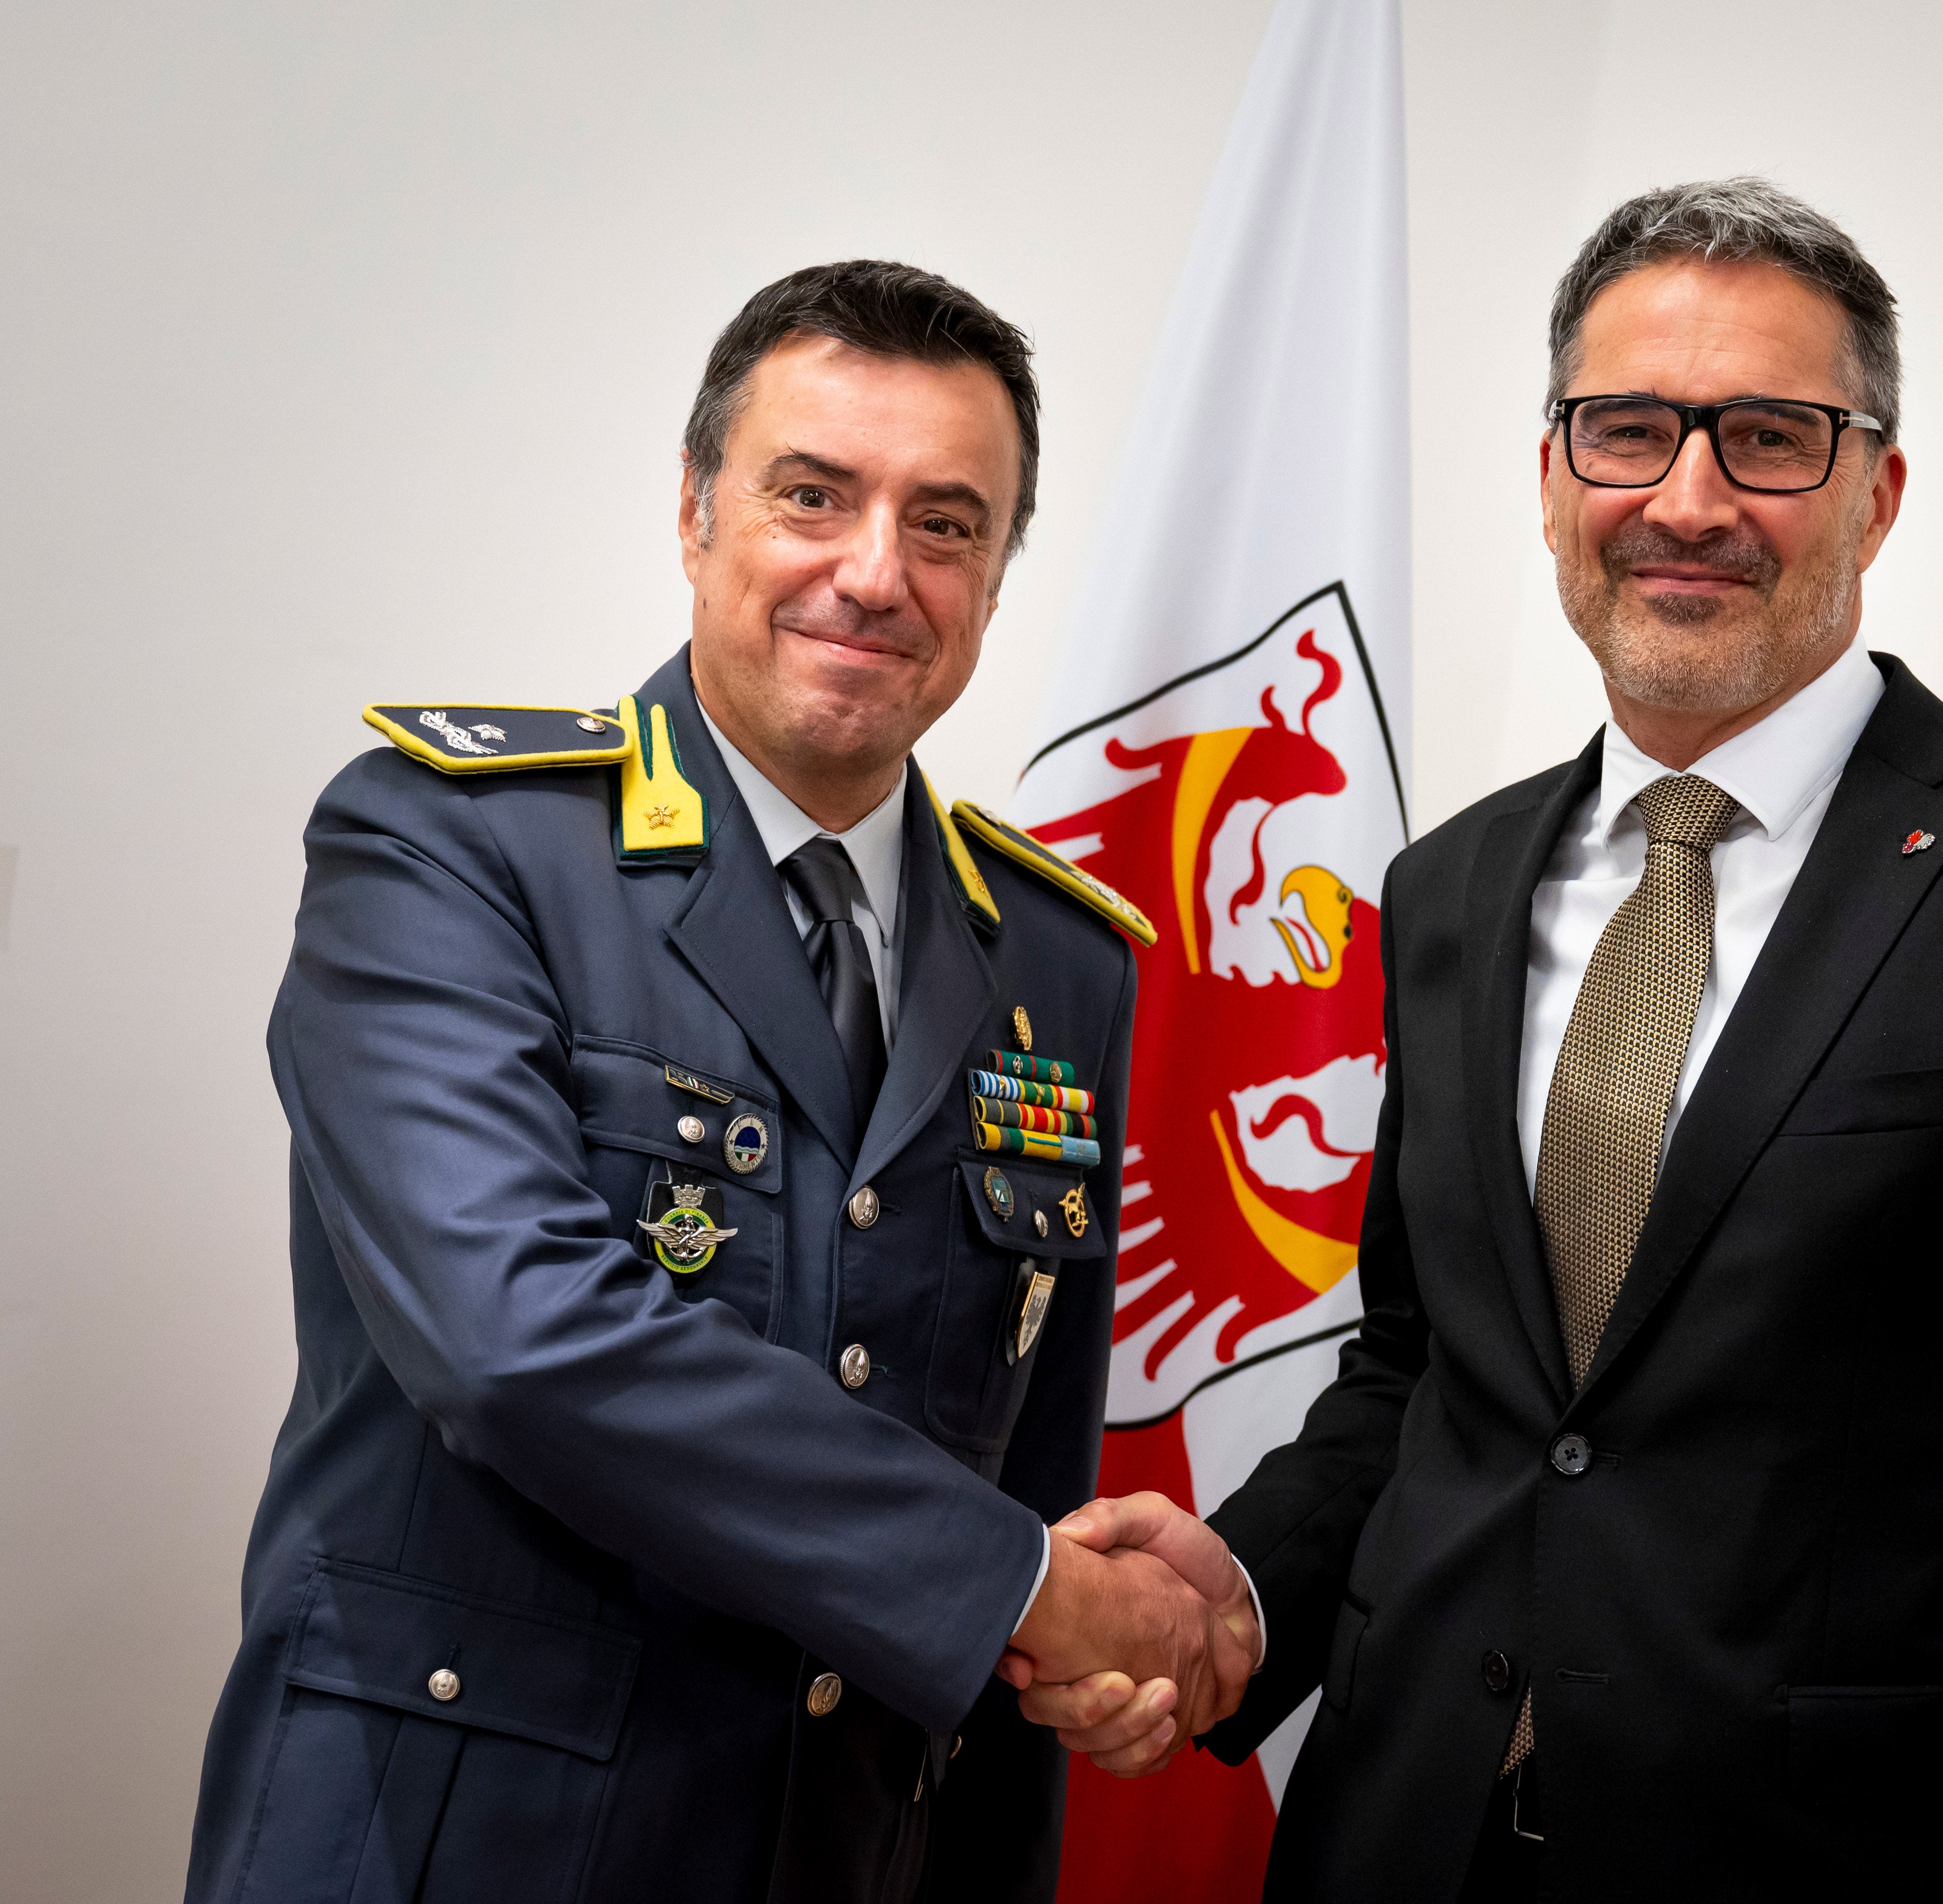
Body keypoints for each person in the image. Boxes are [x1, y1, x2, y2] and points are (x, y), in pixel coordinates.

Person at [1021, 179, 1943, 1900]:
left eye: (1770, 435)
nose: (1688, 499)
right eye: (1628, 431)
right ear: (1553, 478)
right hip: (1406, 1838)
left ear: (1877, 489)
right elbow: (1437, 1377)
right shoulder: (1450, 885)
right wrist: (1234, 1590)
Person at [183, 260, 1255, 1904]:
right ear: (695, 512)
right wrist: (1029, 1587)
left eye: (948, 522)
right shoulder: (448, 844)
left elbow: (1028, 1468)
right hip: (458, 1847)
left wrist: (1066, 1642)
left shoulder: (1060, 962)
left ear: (997, 570)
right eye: (811, 495)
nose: (874, 572)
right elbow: (517, 1337)